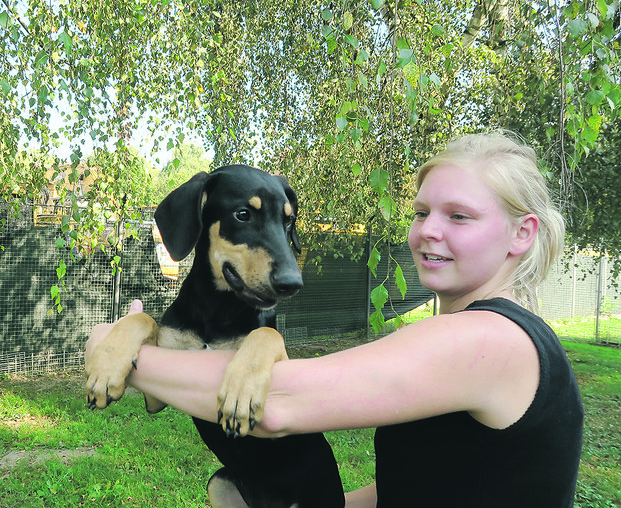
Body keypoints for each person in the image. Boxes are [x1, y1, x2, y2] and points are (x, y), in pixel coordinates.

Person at [86, 132, 584, 507]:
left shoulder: (491, 341)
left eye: (459, 216)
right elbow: (415, 485)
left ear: (522, 234)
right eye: (420, 211)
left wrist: (119, 354)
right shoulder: (497, 332)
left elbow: (277, 402)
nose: (428, 230)